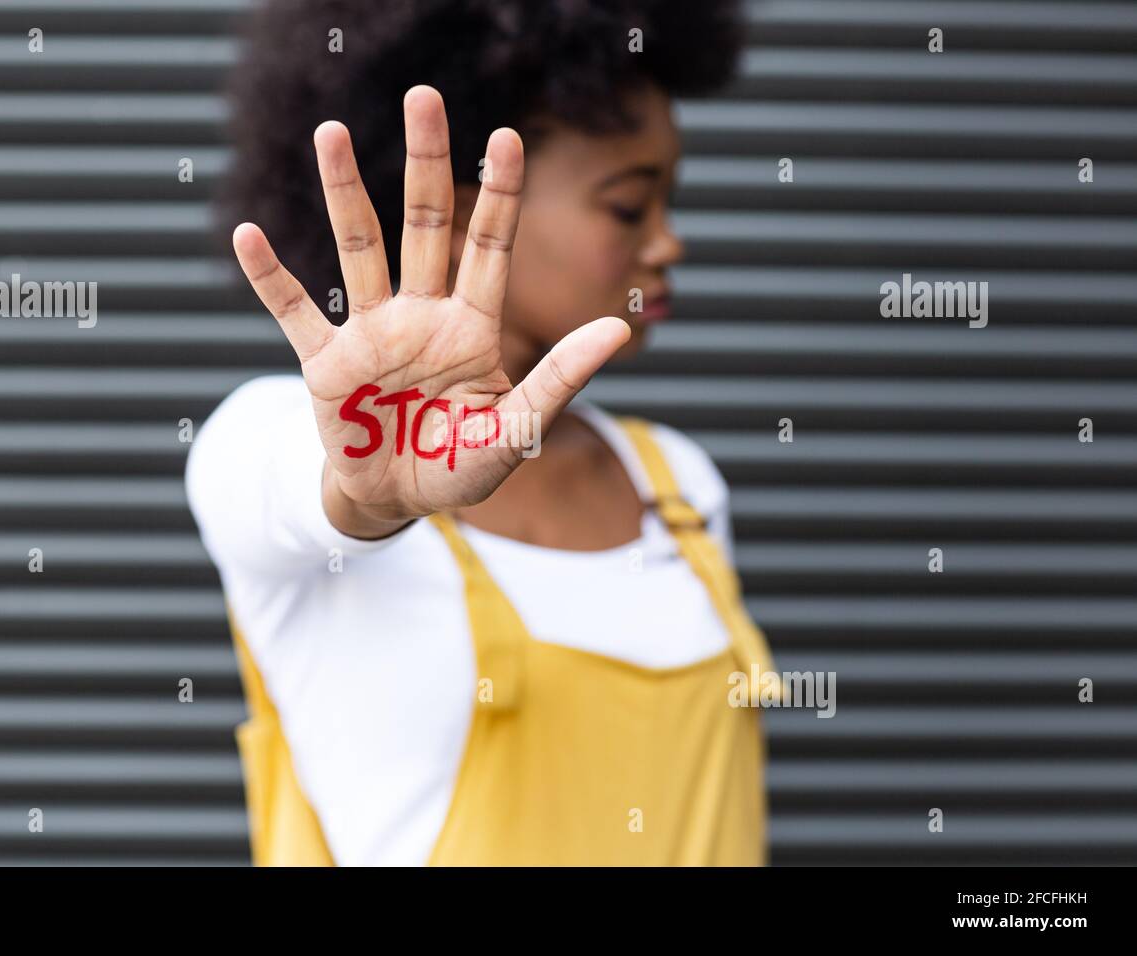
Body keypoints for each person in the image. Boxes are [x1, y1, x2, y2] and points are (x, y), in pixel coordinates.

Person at [187, 0, 776, 866]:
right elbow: (288, 491)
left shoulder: (679, 485)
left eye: (671, 201)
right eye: (629, 207)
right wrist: (364, 493)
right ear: (468, 219)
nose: (669, 244)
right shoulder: (271, 438)